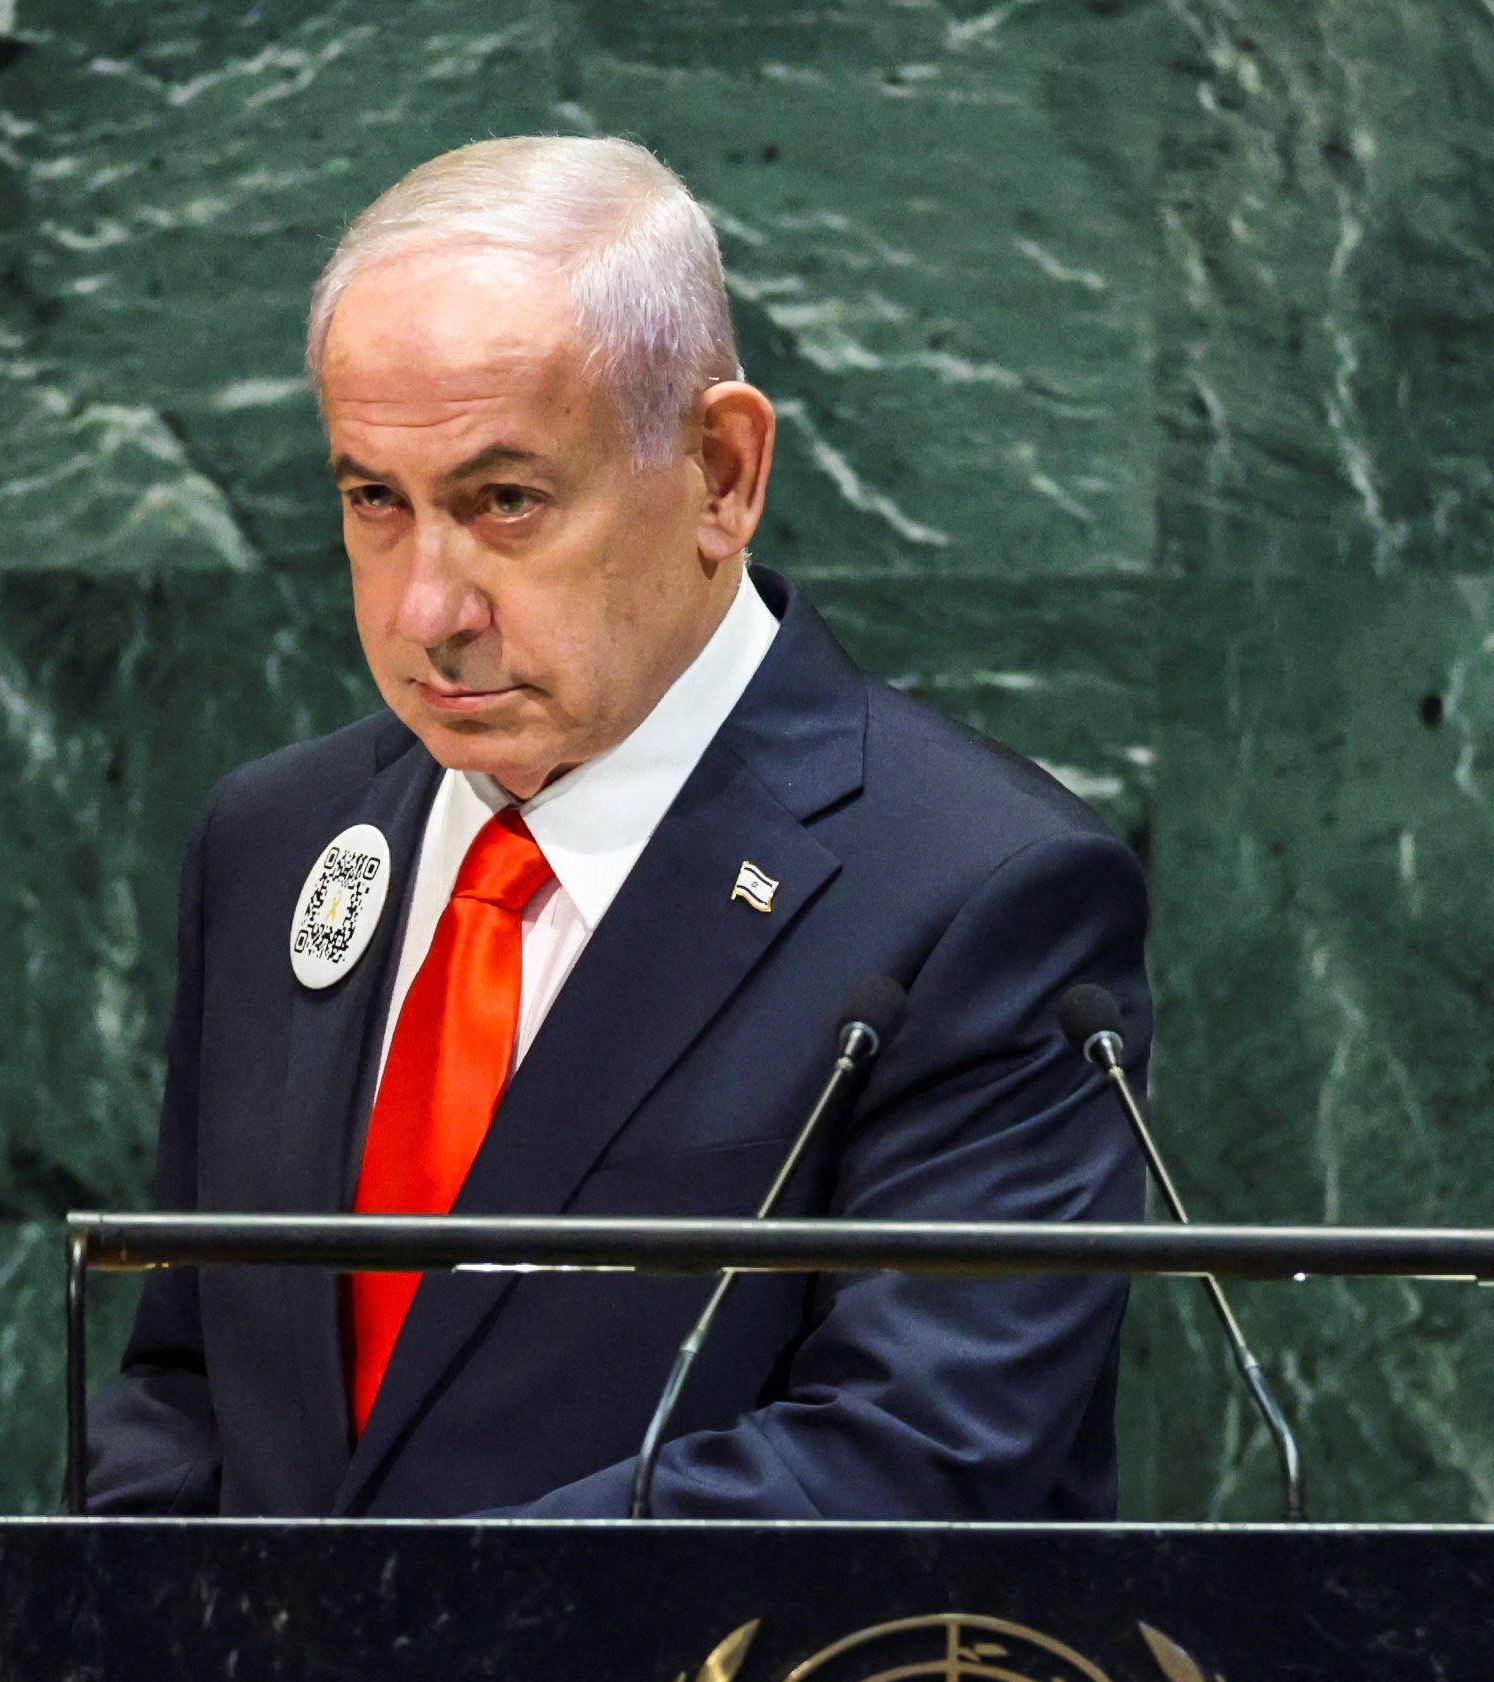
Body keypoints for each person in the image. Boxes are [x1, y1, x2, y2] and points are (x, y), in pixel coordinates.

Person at [84, 135, 1149, 1519]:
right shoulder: (275, 838)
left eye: (506, 502)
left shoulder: (981, 891)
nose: (426, 611)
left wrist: (381, 1630)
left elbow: (906, 1460)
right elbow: (189, 1379)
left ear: (722, 472)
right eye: (374, 501)